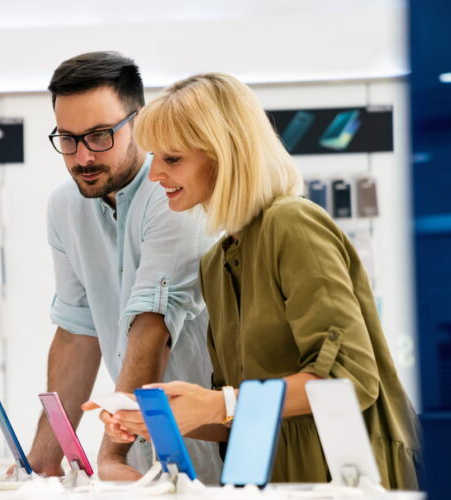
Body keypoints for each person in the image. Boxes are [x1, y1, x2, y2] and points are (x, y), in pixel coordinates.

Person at [109, 71, 421, 489]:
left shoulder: (292, 225)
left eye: (173, 158)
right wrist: (165, 416)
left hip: (348, 477)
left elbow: (349, 381)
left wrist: (219, 402)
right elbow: (237, 415)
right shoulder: (217, 264)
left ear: (225, 154)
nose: (155, 176)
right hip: (281, 482)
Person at [22, 51, 221, 483]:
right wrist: (40, 462)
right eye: (68, 139)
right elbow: (77, 333)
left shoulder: (174, 193)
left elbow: (151, 327)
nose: (83, 157)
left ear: (140, 121)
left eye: (99, 136)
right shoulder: (65, 205)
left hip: (214, 441)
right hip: (137, 447)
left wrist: (110, 456)